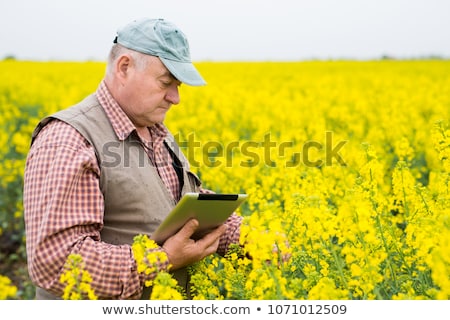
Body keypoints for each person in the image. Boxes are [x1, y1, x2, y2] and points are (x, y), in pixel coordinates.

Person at [23, 18, 243, 300]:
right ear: (124, 67)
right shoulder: (69, 139)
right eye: (166, 82)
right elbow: (56, 262)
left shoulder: (153, 130)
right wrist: (163, 260)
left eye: (178, 86)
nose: (175, 98)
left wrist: (249, 238)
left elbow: (181, 203)